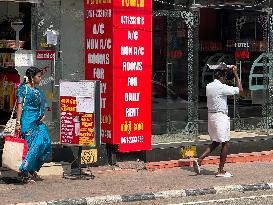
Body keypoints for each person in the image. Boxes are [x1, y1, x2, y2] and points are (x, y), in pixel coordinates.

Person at [193, 65, 243, 177]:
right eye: (225, 76)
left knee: (216, 142)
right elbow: (240, 89)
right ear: (220, 76)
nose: (225, 78)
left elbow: (219, 97)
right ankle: (220, 170)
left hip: (211, 117)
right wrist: (235, 73)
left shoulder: (209, 86)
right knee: (226, 143)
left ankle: (200, 160)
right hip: (220, 117)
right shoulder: (221, 87)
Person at [15, 67, 51, 182]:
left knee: (45, 142)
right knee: (31, 146)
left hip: (38, 121)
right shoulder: (23, 89)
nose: (40, 78)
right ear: (32, 77)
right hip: (27, 121)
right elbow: (19, 107)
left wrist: (43, 115)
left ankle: (31, 167)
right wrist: (18, 123)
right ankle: (24, 171)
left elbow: (43, 104)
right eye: (38, 76)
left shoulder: (38, 91)